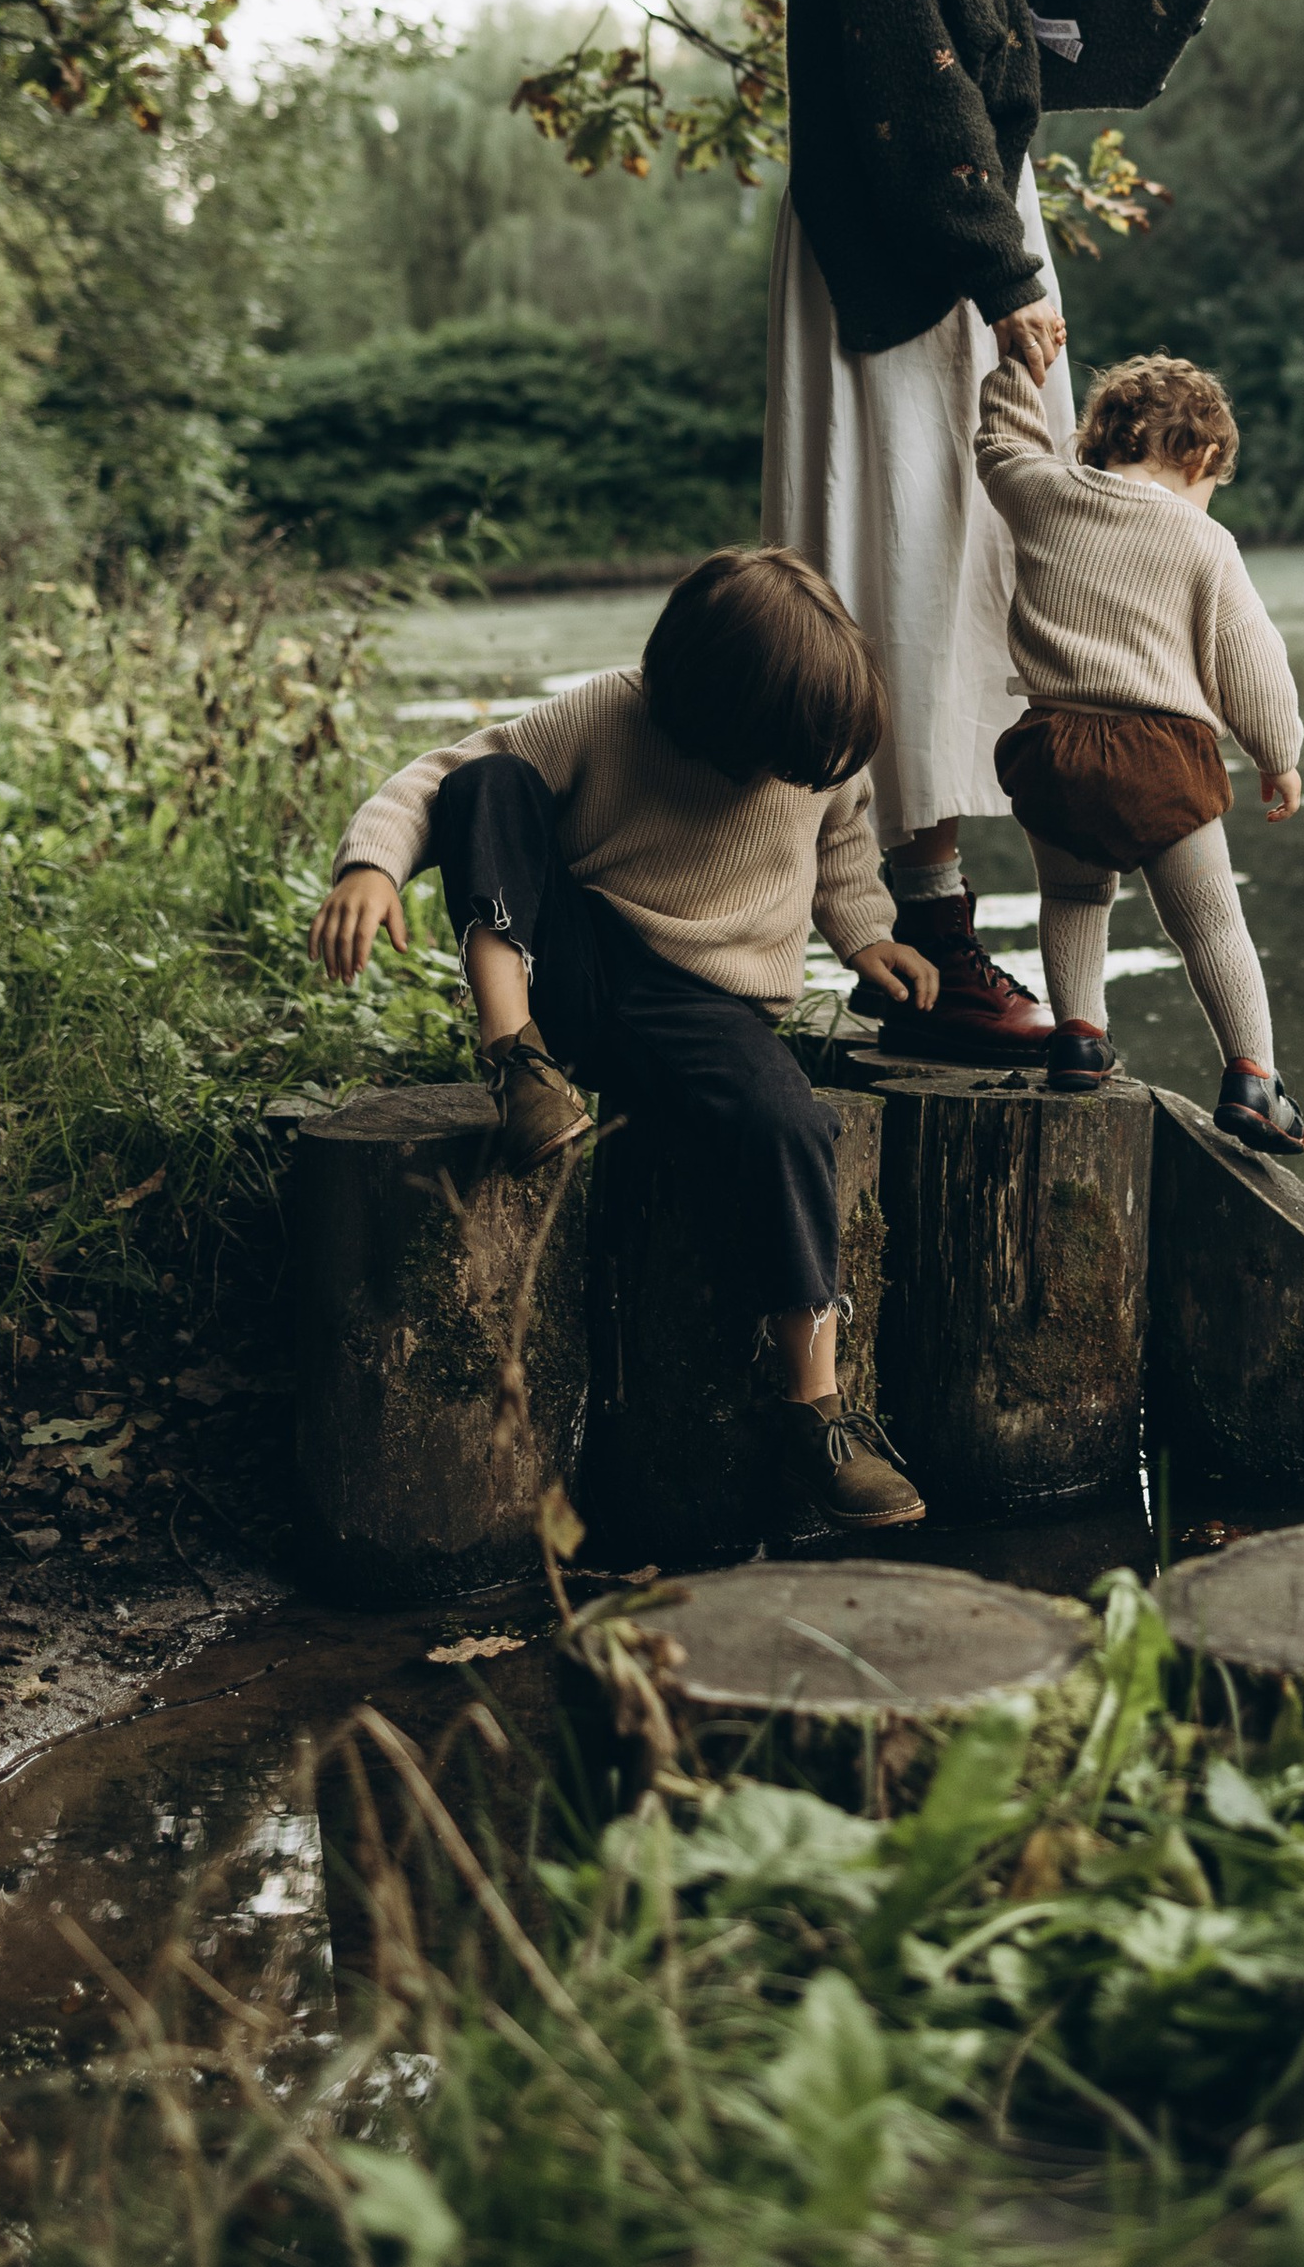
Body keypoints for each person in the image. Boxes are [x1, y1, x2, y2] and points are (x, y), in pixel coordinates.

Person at [764, 0, 1234, 1052]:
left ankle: (944, 925)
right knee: (898, 552)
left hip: (981, 209)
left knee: (987, 554)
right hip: (907, 230)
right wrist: (1000, 266)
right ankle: (919, 934)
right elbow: (904, 63)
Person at [307, 547, 938, 1533]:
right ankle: (518, 1063)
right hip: (578, 971)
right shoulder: (611, 712)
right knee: (489, 786)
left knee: (793, 1127)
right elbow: (436, 780)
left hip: (709, 1009)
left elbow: (843, 846)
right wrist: (371, 868)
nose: (789, 777)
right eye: (769, 758)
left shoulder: (816, 742)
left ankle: (813, 1411)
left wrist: (867, 937)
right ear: (709, 711)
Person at [974, 347, 1304, 1151]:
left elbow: (1000, 444)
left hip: (1053, 752)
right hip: (1159, 764)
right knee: (1210, 927)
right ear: (1199, 456)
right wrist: (1279, 753)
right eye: (1210, 487)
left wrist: (1015, 364)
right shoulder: (1205, 546)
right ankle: (1253, 1080)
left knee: (1075, 899)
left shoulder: (1044, 493)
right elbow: (1252, 662)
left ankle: (1080, 1039)